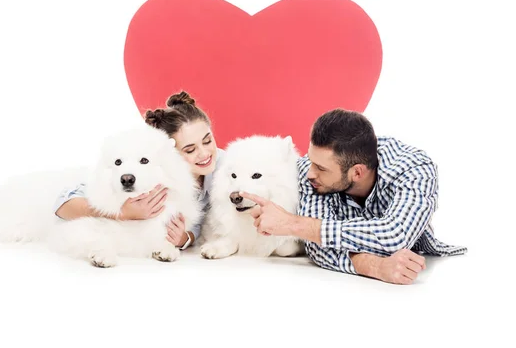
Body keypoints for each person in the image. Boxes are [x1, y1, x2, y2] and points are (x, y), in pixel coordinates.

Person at [241, 108, 467, 285]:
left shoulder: (414, 168)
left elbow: (395, 235)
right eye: (310, 160)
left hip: (430, 264)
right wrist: (375, 267)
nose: (310, 172)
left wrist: (294, 224)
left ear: (357, 172)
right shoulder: (308, 173)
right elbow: (317, 249)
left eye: (321, 168)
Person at [54, 91, 225, 250]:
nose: (204, 154)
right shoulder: (153, 176)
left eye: (208, 141)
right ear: (170, 156)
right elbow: (62, 203)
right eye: (190, 150)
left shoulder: (226, 166)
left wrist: (184, 238)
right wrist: (122, 213)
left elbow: (198, 223)